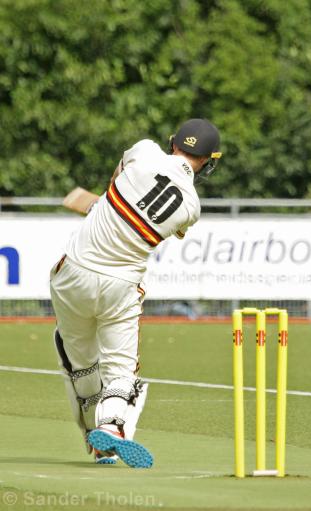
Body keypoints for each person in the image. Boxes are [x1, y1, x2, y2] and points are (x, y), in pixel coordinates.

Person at [50, 119, 221, 467]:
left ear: (173, 142)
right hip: (120, 285)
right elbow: (155, 220)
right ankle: (111, 426)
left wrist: (105, 205)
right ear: (207, 160)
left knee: (81, 365)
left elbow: (117, 180)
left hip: (72, 274)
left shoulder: (144, 151)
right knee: (121, 370)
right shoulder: (191, 206)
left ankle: (93, 434)